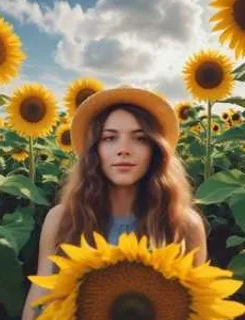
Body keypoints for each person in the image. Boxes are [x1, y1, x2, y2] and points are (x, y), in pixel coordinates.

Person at [21, 87, 208, 320]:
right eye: (110, 138)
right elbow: (40, 294)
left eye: (139, 138)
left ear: (155, 149)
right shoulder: (62, 219)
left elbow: (201, 303)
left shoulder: (184, 224)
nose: (123, 150)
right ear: (95, 149)